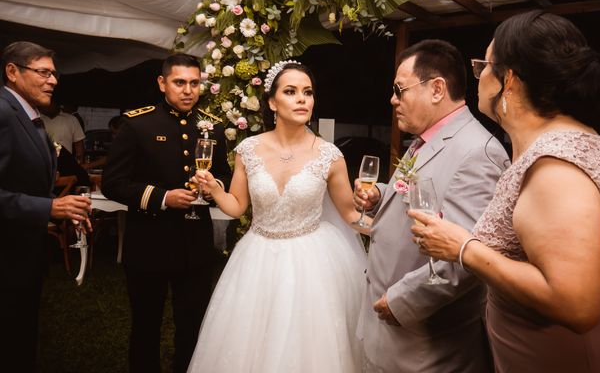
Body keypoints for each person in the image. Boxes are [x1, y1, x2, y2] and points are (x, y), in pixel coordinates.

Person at [409, 10, 600, 372]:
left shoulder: (556, 168)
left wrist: (463, 248)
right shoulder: (559, 143)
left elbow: (577, 304)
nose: (479, 77)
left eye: (484, 65)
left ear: (510, 80)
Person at [187, 61, 368, 373]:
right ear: (271, 102)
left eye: (308, 92)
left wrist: (391, 226)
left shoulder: (330, 156)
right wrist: (216, 191)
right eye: (291, 91)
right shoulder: (249, 149)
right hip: (257, 259)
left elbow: (351, 214)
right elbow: (237, 206)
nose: (302, 99)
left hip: (312, 263)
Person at [354, 39, 509, 372]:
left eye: (400, 90)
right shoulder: (426, 139)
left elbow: (467, 256)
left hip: (427, 346)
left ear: (437, 88)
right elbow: (423, 195)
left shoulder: (477, 153)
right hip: (394, 340)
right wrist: (383, 194)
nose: (393, 99)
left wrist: (400, 302)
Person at [101, 53, 232, 373]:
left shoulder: (212, 127)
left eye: (194, 83)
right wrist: (162, 197)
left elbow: (225, 179)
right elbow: (112, 183)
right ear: (162, 84)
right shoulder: (138, 124)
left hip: (196, 248)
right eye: (179, 82)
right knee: (146, 327)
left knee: (193, 327)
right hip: (149, 244)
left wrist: (213, 188)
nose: (188, 90)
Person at [0, 41, 91, 372]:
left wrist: (61, 207)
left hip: (23, 254)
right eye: (43, 72)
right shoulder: (3, 113)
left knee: (20, 338)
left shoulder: (28, 116)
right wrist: (47, 209)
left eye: (54, 74)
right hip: (6, 256)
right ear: (12, 72)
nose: (53, 80)